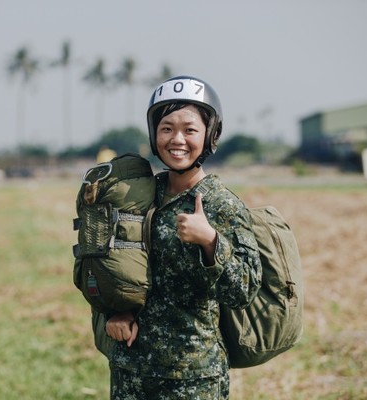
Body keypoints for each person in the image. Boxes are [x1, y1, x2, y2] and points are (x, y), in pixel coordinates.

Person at [105, 76, 262, 399]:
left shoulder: (222, 204)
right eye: (166, 128)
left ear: (210, 135)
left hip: (193, 378)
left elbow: (245, 290)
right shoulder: (139, 195)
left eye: (189, 129)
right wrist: (115, 311)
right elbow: (111, 264)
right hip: (131, 371)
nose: (177, 139)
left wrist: (211, 242)